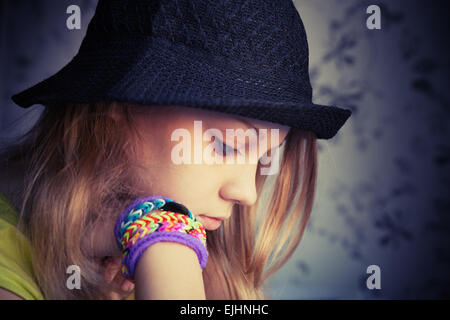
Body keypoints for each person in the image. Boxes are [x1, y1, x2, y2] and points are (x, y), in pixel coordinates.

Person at [0, 0, 351, 300]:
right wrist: (164, 234)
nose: (247, 192)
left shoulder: (213, 268)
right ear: (121, 105)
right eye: (226, 146)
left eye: (263, 157)